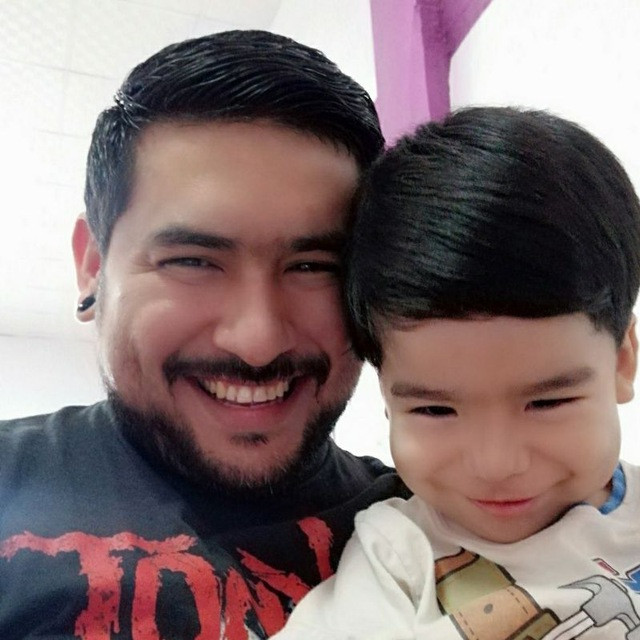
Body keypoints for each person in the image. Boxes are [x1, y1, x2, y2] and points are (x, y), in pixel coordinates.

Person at [0, 30, 408, 639]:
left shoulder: (434, 522)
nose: (258, 342)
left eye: (314, 267)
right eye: (192, 261)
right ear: (92, 265)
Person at [272, 107, 640, 640]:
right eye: (435, 409)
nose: (496, 465)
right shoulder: (397, 560)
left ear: (623, 359)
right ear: (386, 394)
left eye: (547, 403)